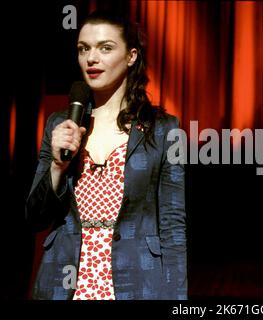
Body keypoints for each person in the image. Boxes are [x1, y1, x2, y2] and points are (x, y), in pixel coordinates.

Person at [25, 10, 187, 300]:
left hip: (137, 280)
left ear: (131, 56)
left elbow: (173, 227)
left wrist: (176, 298)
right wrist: (57, 167)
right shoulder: (61, 124)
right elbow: (36, 217)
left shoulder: (163, 130)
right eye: (83, 49)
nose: (91, 58)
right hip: (65, 281)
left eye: (105, 48)